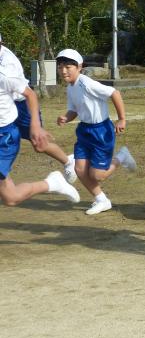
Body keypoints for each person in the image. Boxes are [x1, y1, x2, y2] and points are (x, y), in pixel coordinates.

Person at [54, 49, 136, 215]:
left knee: (97, 175)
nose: (63, 71)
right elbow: (74, 110)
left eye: (68, 67)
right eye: (60, 67)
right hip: (84, 131)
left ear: (79, 67)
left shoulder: (86, 83)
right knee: (79, 169)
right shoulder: (70, 87)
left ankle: (122, 157)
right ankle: (101, 200)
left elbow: (114, 92)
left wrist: (122, 119)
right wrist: (66, 118)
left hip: (101, 132)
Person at [0, 33, 76, 183]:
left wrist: (35, 125)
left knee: (38, 143)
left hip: (21, 104)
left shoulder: (7, 65)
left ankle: (68, 162)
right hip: (7, 104)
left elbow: (29, 94)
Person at [0, 64, 80, 206]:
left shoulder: (5, 73)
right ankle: (54, 182)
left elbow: (30, 94)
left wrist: (35, 125)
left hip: (5, 137)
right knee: (10, 197)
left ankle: (55, 179)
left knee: (11, 197)